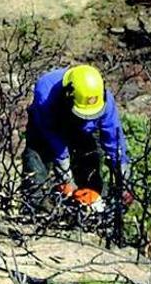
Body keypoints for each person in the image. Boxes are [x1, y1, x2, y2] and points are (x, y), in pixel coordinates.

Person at [21, 64, 133, 213]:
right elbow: (50, 133)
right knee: (35, 163)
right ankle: (35, 212)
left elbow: (114, 141)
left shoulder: (105, 101)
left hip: (83, 133)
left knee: (90, 168)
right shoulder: (46, 91)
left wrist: (124, 182)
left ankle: (91, 212)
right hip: (45, 130)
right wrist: (66, 177)